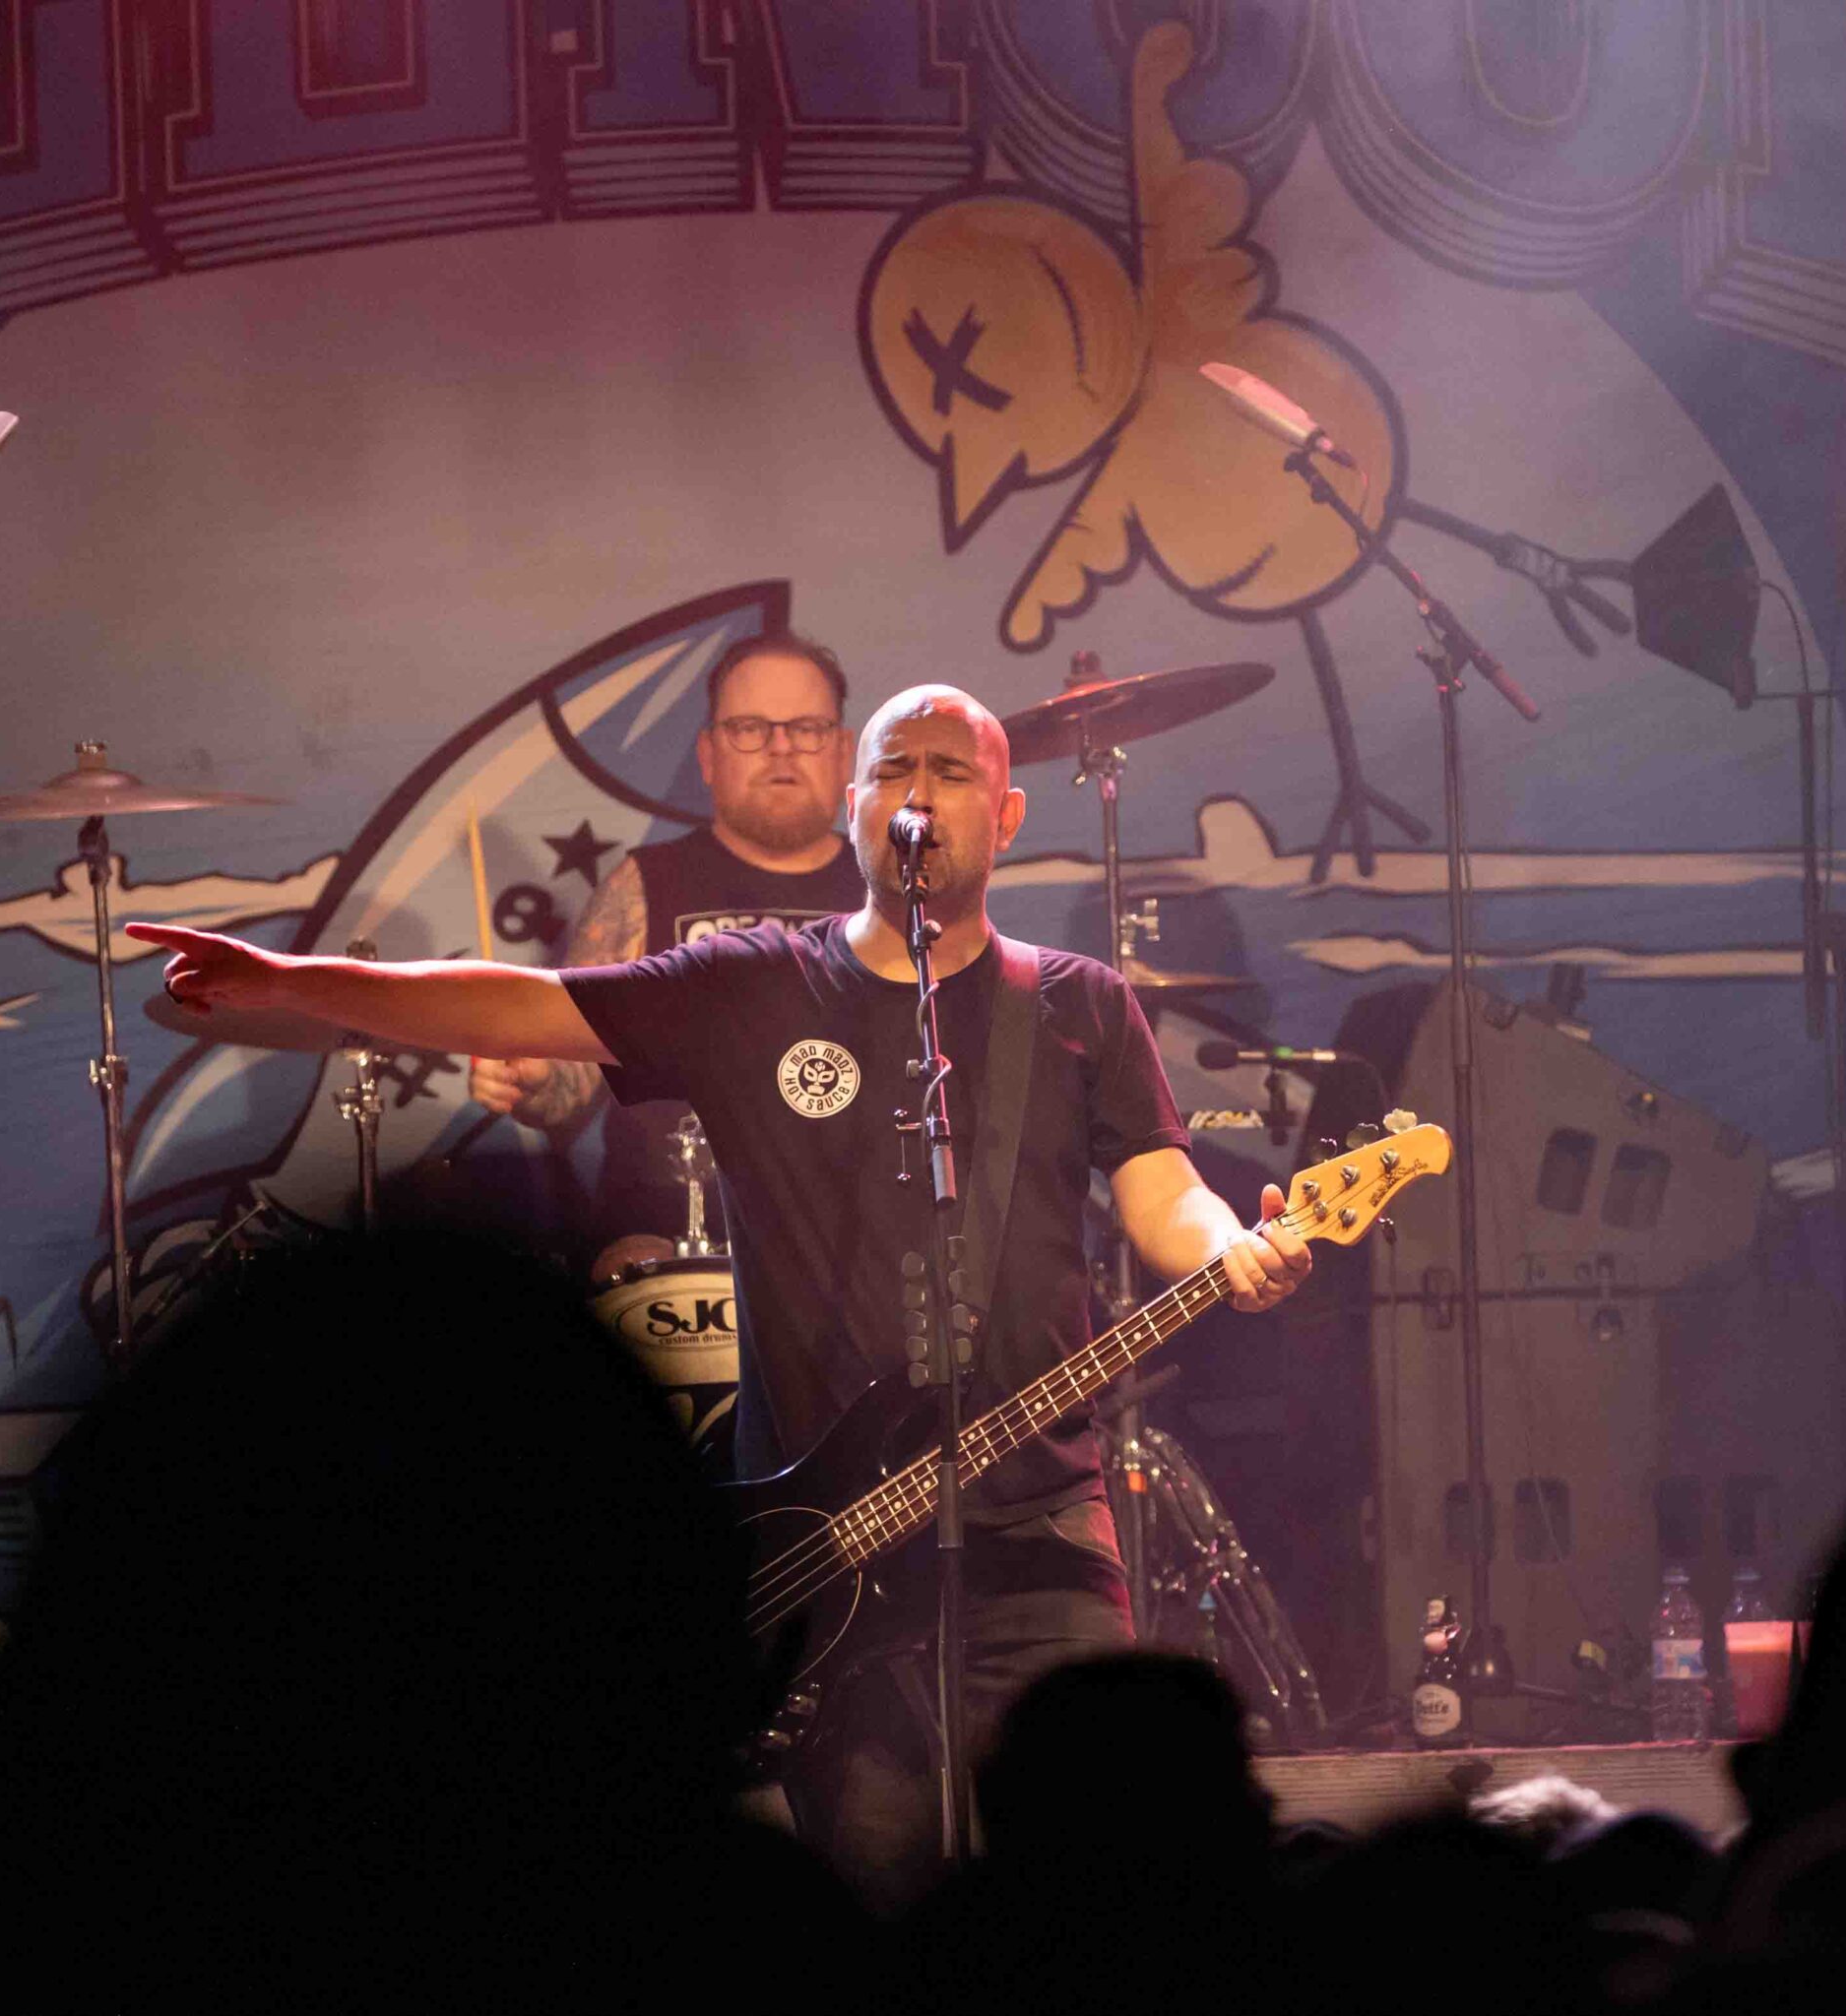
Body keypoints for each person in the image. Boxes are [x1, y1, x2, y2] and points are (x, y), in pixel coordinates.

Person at [126, 680, 1313, 1900]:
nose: (918, 794)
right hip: (832, 1551)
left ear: (1006, 815)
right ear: (852, 806)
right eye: (892, 769)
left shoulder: (1076, 1002)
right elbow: (522, 1002)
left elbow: (1164, 1195)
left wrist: (1227, 1246)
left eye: (951, 771)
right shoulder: (751, 983)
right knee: (878, 1894)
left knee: (1097, 1884)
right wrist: (295, 978)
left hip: (1041, 1530)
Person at [469, 631, 864, 1248]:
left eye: (808, 728)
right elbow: (568, 1088)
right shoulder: (643, 886)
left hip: (850, 1244)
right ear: (708, 755)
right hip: (666, 1242)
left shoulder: (889, 893)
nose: (781, 747)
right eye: (750, 728)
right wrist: (531, 1081)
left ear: (843, 753)